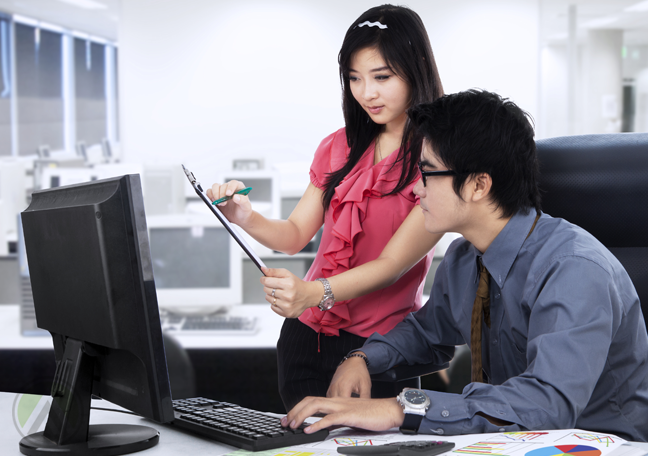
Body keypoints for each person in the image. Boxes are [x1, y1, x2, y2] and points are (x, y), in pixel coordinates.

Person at [281, 89, 648, 442]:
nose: (416, 190)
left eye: (427, 173)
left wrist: (400, 409)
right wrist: (361, 358)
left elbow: (546, 405)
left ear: (478, 185)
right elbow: (426, 335)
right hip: (509, 442)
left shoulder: (574, 269)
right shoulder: (464, 258)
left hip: (598, 444)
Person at [206, 5, 445, 411]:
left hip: (378, 352)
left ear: (417, 67)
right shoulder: (340, 145)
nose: (366, 92)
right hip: (305, 338)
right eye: (354, 78)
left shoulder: (438, 157)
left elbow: (392, 265)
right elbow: (295, 235)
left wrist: (311, 292)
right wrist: (244, 216)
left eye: (381, 77)